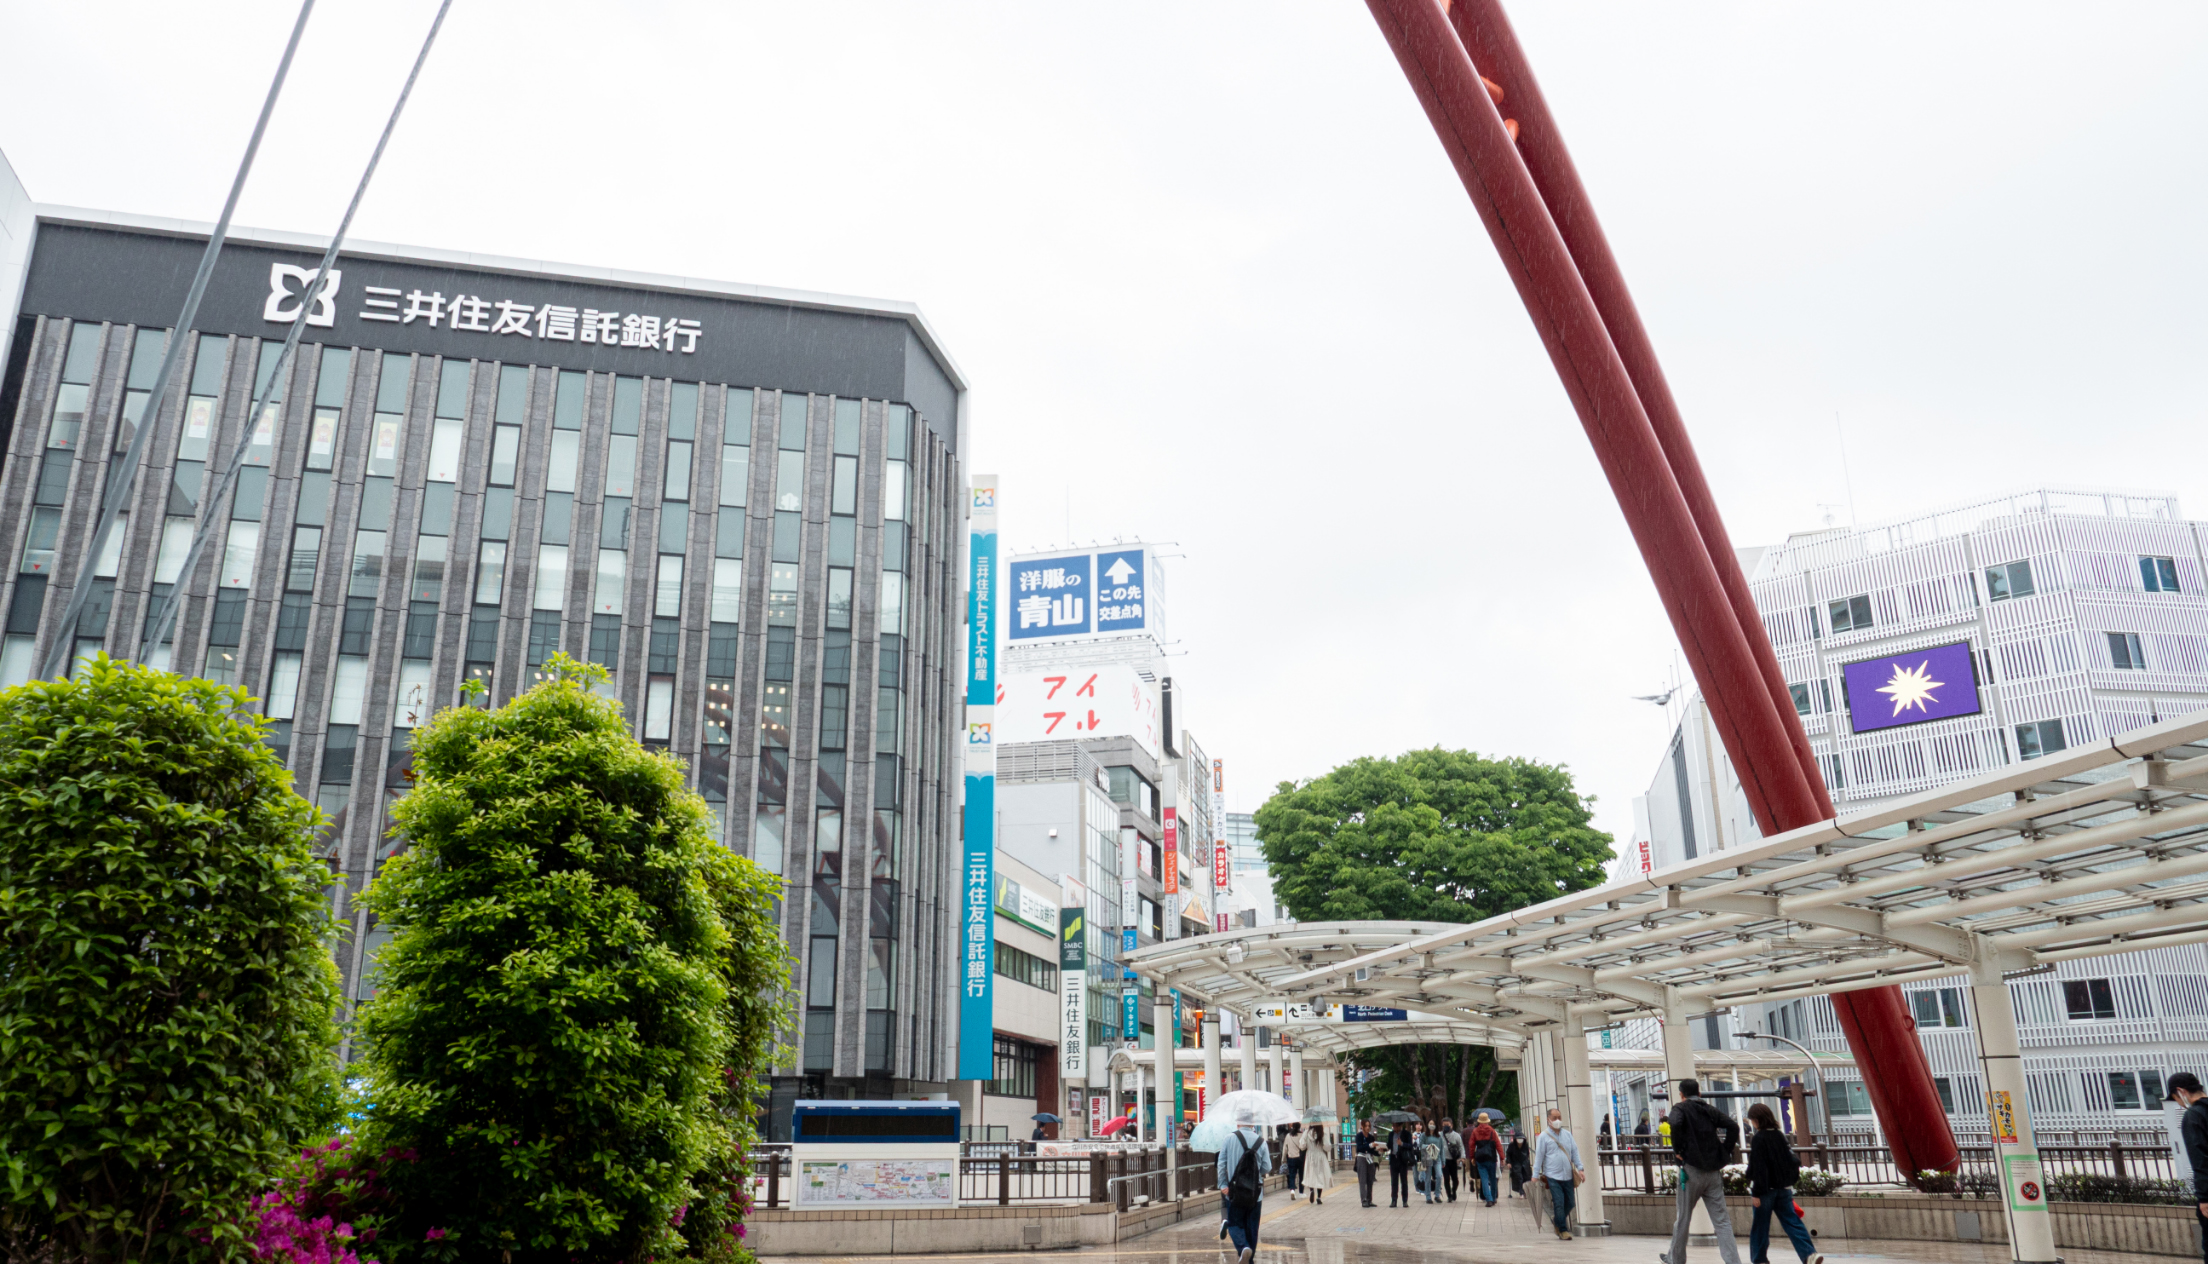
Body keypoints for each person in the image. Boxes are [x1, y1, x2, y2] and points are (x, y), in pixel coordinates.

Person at [1660, 1080, 1744, 1264]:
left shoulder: (1680, 1109)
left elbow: (1674, 1124)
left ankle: (1676, 1259)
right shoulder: (1708, 1109)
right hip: (1713, 1172)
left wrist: (1678, 1151)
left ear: (1681, 1093)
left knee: (1683, 1218)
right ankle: (1733, 1261)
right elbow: (1733, 1126)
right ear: (1699, 1093)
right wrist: (1725, 1150)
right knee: (1721, 1221)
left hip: (1690, 1171)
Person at [1745, 1103, 1822, 1264]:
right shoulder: (1779, 1135)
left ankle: (1759, 1260)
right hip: (1784, 1189)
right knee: (1793, 1223)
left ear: (1757, 1120)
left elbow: (1759, 1167)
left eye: (1752, 1120)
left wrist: (1756, 1192)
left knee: (1760, 1227)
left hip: (1765, 1191)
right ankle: (1809, 1254)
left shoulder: (1759, 1138)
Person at [1217, 1112, 1273, 1264]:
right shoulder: (1261, 1141)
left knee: (1235, 1223)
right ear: (1253, 1123)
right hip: (1255, 1194)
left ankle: (1243, 1248)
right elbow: (1267, 1167)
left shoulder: (1229, 1138)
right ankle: (1249, 1258)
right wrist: (1254, 1174)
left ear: (1238, 1122)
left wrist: (1222, 1184)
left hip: (1234, 1192)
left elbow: (1221, 1164)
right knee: (1252, 1228)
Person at [2170, 1071, 2208, 1264]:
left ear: (2181, 1091)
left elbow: (2200, 1160)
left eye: (2176, 1098)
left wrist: (2204, 1198)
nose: (2178, 1103)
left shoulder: (2193, 1116)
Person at [1532, 1107, 1586, 1240]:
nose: (1557, 1120)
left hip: (1567, 1175)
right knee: (1559, 1202)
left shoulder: (1567, 1135)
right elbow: (1539, 1157)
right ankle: (1562, 1230)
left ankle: (1557, 1219)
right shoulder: (1544, 1137)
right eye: (1554, 1118)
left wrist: (1580, 1168)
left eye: (1559, 1118)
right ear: (1548, 1120)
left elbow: (1574, 1152)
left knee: (1570, 1202)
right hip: (1552, 1175)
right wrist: (1535, 1175)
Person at [1470, 1111, 1502, 1207]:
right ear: (1487, 1121)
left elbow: (1471, 1146)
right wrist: (1502, 1157)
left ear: (1479, 1121)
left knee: (1484, 1179)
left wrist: (1472, 1157)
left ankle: (1488, 1199)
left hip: (1480, 1158)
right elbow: (1498, 1145)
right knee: (1493, 1178)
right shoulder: (1492, 1131)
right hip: (1491, 1157)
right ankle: (1493, 1198)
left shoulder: (1475, 1131)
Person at [1354, 1121, 1382, 1207]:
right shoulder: (1359, 1136)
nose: (1367, 1128)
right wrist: (1370, 1145)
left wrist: (1379, 1151)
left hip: (1370, 1158)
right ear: (1362, 1126)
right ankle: (1364, 1200)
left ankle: (1369, 1199)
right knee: (1362, 1180)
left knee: (1370, 1179)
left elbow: (1372, 1150)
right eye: (1366, 1126)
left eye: (1369, 1126)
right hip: (1361, 1158)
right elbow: (1359, 1148)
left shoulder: (1371, 1137)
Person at [1304, 1125, 1333, 1206]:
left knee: (1311, 1174)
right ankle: (1319, 1197)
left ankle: (1311, 1190)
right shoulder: (1322, 1134)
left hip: (1310, 1156)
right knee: (1320, 1175)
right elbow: (1327, 1147)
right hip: (1320, 1156)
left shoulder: (1306, 1133)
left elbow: (1302, 1145)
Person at [1388, 1123, 1415, 1208]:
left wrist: (1402, 1144)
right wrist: (1385, 1147)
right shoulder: (1391, 1134)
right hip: (1393, 1159)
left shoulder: (1406, 1134)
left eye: (1396, 1126)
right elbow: (1389, 1145)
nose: (1394, 1127)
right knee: (1394, 1181)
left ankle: (1405, 1201)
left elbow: (1410, 1146)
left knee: (1404, 1181)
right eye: (1393, 1126)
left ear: (1400, 1126)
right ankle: (1394, 1200)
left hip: (1402, 1160)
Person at [1417, 1125, 1444, 1203]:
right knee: (1427, 1178)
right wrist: (1428, 1146)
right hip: (1427, 1157)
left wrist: (1443, 1160)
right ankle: (1428, 1196)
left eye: (1433, 1123)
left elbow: (1441, 1149)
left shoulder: (1439, 1136)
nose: (1432, 1125)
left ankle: (1437, 1194)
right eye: (1430, 1123)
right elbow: (1420, 1145)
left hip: (1437, 1158)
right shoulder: (1424, 1135)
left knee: (1439, 1175)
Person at [1281, 1123, 1308, 1198]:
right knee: (1301, 1175)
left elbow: (1285, 1149)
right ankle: (1301, 1192)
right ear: (1299, 1127)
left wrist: (1283, 1159)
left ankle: (1292, 1190)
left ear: (1292, 1127)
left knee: (1292, 1175)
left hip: (1291, 1158)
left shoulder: (1288, 1136)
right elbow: (1304, 1146)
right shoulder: (1302, 1135)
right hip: (1300, 1158)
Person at [1441, 1117, 1464, 1202]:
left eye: (1448, 1125)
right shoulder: (1440, 1135)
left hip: (1453, 1160)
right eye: (1444, 1125)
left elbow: (1461, 1147)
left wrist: (1462, 1157)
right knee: (1446, 1178)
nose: (1446, 1127)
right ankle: (1449, 1195)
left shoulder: (1456, 1135)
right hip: (1444, 1160)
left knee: (1455, 1179)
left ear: (1451, 1125)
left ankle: (1453, 1190)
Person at [1506, 1127, 1532, 1198]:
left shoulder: (1525, 1145)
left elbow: (1527, 1154)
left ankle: (1525, 1191)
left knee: (1526, 1177)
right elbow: (1508, 1154)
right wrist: (1508, 1162)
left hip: (1524, 1163)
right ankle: (1521, 1192)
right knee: (1518, 1177)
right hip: (1515, 1163)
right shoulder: (1512, 1145)